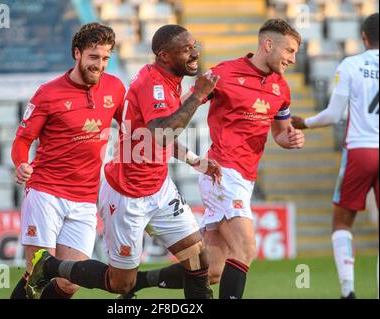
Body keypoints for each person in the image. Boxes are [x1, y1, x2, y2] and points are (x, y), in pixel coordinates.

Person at [25, 24, 221, 299]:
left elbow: (152, 136)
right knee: (121, 284)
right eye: (186, 49)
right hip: (127, 194)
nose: (194, 53)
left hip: (159, 189)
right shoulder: (153, 85)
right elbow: (162, 134)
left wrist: (195, 161)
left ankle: (149, 284)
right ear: (165, 56)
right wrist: (199, 96)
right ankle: (50, 266)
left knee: (198, 259)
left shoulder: (168, 81)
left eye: (194, 45)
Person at [120, 18, 305, 299]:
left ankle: (138, 282)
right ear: (268, 45)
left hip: (245, 177)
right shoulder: (225, 74)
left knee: (213, 270)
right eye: (289, 51)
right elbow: (179, 107)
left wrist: (289, 139)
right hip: (222, 171)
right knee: (245, 249)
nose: (293, 59)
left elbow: (280, 133)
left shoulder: (282, 88)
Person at [9, 23, 126, 299]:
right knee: (40, 272)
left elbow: (133, 126)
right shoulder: (48, 93)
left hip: (85, 198)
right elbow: (22, 140)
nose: (100, 65)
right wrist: (21, 164)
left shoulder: (116, 87)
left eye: (106, 58)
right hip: (46, 191)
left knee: (70, 282)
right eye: (94, 57)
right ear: (77, 53)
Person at [292, 13, 379, 299]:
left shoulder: (351, 64)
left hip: (360, 149)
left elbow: (332, 115)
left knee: (342, 223)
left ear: (364, 37)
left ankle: (348, 291)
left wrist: (304, 123)